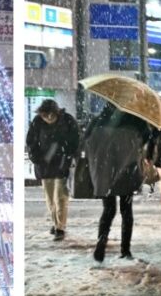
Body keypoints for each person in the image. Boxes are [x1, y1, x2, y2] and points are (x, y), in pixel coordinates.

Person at [85, 103, 153, 262]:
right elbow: (147, 137)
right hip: (127, 169)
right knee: (126, 210)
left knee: (108, 210)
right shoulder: (135, 119)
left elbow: (87, 140)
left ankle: (100, 246)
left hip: (104, 170)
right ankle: (125, 250)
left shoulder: (98, 119)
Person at [26, 99, 80, 240]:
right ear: (42, 114)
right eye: (46, 115)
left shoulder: (67, 120)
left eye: (52, 115)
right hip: (44, 165)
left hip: (62, 164)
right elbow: (31, 141)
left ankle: (60, 227)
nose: (49, 118)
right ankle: (56, 222)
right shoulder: (37, 122)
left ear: (57, 112)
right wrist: (36, 157)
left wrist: (68, 154)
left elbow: (76, 140)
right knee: (50, 198)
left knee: (60, 196)